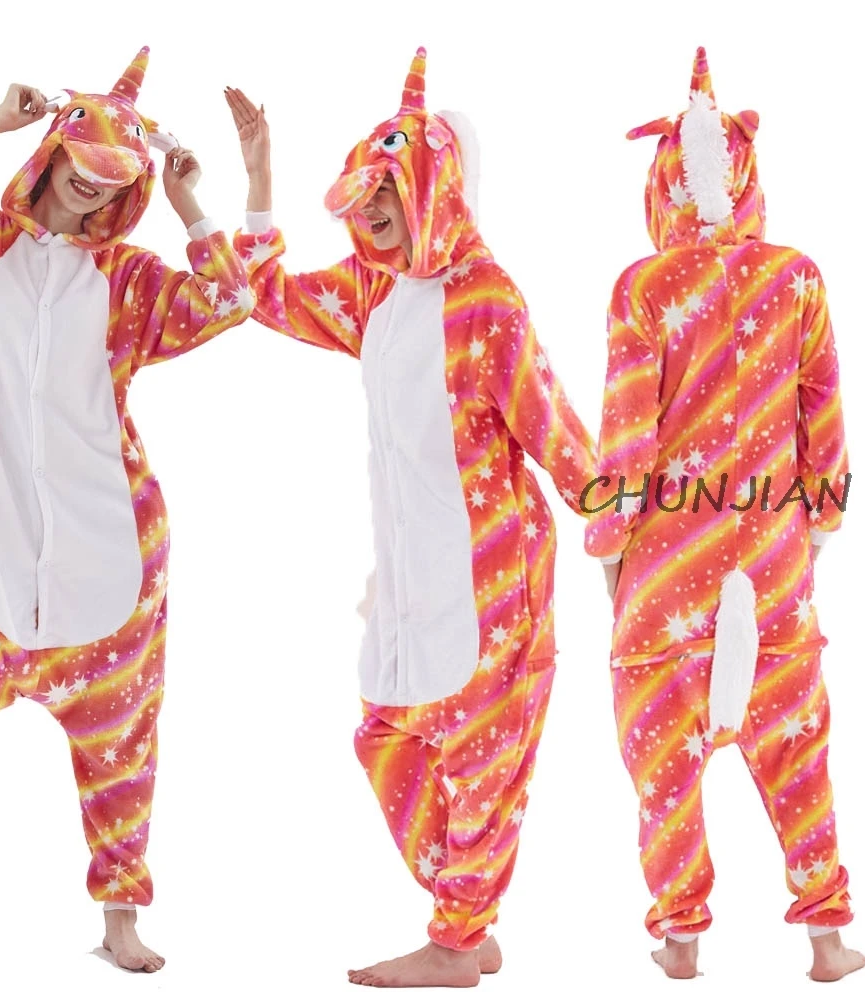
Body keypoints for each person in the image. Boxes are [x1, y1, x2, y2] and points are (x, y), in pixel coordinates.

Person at [0, 47, 253, 971]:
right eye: (85, 163)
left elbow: (232, 299)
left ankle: (121, 920)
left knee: (121, 751)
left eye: (116, 176)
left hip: (110, 548)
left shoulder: (127, 280)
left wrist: (191, 203)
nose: (94, 185)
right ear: (53, 153)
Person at [226, 47, 596, 989]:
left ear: (436, 184)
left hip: (494, 574)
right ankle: (470, 916)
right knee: (384, 735)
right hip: (407, 576)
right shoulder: (375, 291)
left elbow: (555, 431)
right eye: (361, 200)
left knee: (480, 760)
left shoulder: (486, 301)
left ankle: (456, 942)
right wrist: (259, 181)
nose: (371, 213)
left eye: (387, 192)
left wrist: (626, 528)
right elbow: (268, 298)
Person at [584, 47, 865, 982]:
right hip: (774, 557)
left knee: (664, 761)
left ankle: (680, 941)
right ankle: (828, 940)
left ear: (665, 182)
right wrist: (819, 525)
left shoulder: (643, 287)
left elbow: (626, 439)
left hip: (669, 564)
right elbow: (824, 418)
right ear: (747, 177)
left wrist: (610, 550)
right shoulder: (800, 278)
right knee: (797, 744)